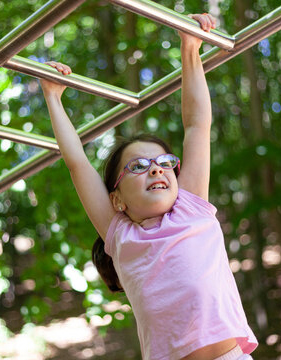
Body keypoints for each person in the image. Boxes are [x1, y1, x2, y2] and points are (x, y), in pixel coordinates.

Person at [40, 13, 258, 360]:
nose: (156, 170)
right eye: (139, 166)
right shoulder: (121, 235)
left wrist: (190, 47)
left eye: (164, 163)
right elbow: (77, 163)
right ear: (117, 198)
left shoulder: (191, 207)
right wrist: (53, 97)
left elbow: (197, 124)